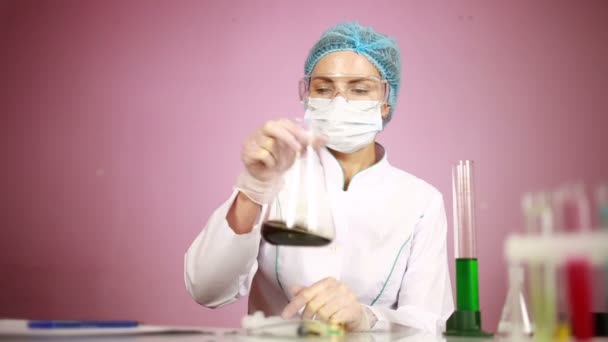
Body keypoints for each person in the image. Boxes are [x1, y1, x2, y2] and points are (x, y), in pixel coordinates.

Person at [184, 22, 454, 335]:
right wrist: (253, 188)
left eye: (359, 89)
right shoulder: (276, 174)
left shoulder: (420, 201)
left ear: (386, 101)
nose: (339, 101)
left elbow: (429, 323)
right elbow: (206, 288)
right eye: (323, 89)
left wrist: (366, 319)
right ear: (307, 96)